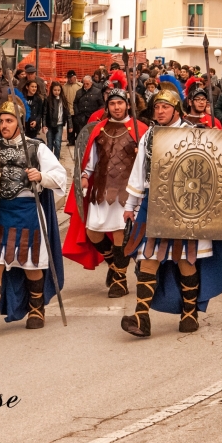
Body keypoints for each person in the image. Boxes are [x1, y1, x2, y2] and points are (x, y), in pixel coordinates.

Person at [119, 88, 222, 337]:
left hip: (184, 203)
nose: (159, 111)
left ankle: (189, 313)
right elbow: (140, 171)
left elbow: (213, 171)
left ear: (176, 110)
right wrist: (129, 206)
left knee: (184, 259)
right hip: (151, 201)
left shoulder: (195, 134)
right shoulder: (148, 135)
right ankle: (141, 316)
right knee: (149, 257)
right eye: (156, 107)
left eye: (165, 107)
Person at [0, 91, 66, 338]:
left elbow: (60, 176)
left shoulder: (36, 148)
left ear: (19, 122)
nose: (4, 125)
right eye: (1, 121)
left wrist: (41, 176)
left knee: (30, 263)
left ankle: (36, 309)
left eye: (9, 121)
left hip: (28, 213)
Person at [63, 85, 148, 298]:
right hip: (100, 188)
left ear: (128, 105)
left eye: (120, 103)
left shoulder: (141, 129)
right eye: (112, 103)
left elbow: (149, 163)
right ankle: (113, 265)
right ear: (107, 106)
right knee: (93, 231)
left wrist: (142, 152)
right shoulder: (98, 129)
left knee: (121, 233)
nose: (117, 107)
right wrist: (83, 177)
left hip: (126, 191)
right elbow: (91, 160)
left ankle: (120, 280)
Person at [44, 81, 73, 160]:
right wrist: (44, 125)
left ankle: (56, 159)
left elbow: (68, 113)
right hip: (50, 124)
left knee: (57, 143)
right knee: (50, 143)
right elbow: (45, 113)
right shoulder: (48, 100)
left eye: (58, 90)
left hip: (59, 124)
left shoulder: (63, 100)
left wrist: (70, 125)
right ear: (51, 90)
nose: (57, 92)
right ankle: (49, 160)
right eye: (55, 90)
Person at [62, 70, 82, 146]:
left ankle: (79, 139)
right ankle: (71, 141)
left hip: (77, 110)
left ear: (75, 77)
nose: (70, 79)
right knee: (70, 127)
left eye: (71, 78)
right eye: (68, 78)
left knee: (78, 126)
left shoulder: (80, 86)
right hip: (68, 110)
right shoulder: (64, 87)